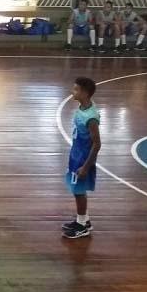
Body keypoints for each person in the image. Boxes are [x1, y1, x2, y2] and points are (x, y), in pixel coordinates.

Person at [62, 77, 101, 239]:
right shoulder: (82, 108)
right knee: (76, 190)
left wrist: (86, 166)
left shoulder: (91, 117)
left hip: (83, 159)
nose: (73, 92)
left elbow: (97, 143)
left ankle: (82, 226)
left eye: (76, 89)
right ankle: (84, 220)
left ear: (85, 93)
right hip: (76, 154)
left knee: (79, 191)